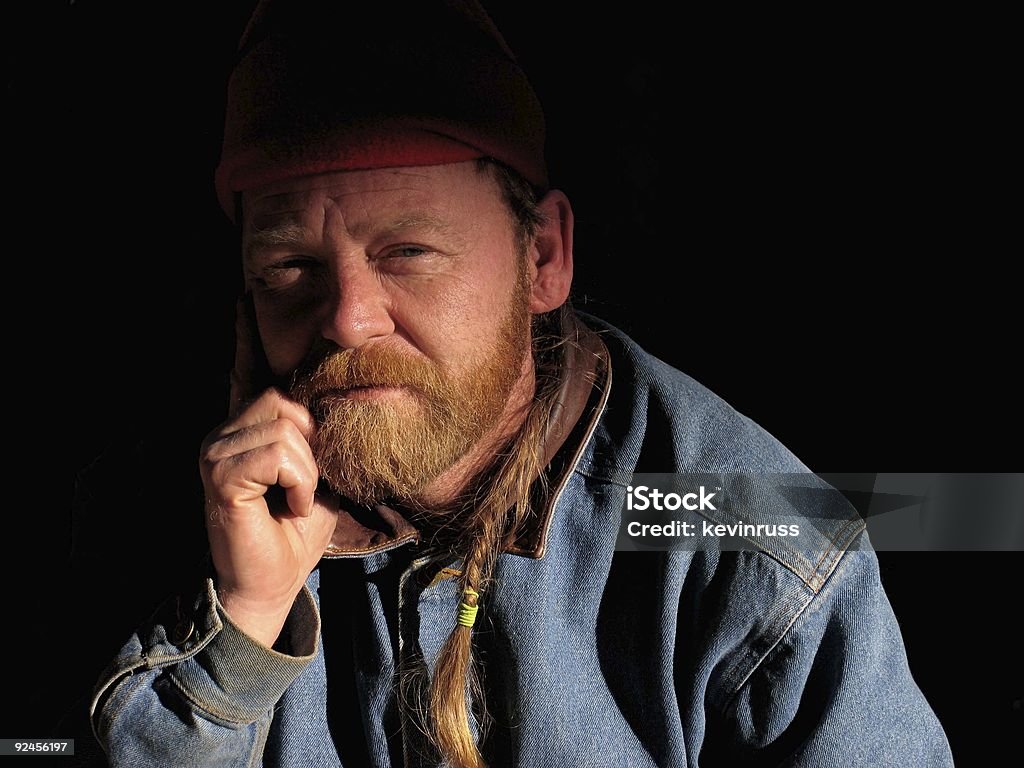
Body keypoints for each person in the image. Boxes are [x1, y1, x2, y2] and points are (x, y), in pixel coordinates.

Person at [89, 1, 954, 766]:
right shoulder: (195, 500)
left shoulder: (751, 539)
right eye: (288, 268)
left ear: (543, 257)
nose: (347, 319)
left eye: (409, 252)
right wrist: (241, 625)